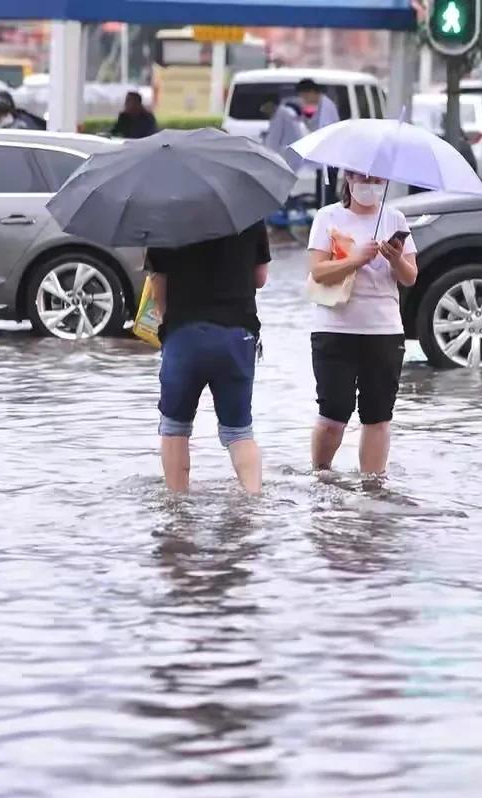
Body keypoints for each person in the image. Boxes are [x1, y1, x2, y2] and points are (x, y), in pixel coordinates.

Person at [146, 221, 272, 495]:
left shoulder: (165, 218)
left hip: (184, 335)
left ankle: (177, 509)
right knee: (239, 431)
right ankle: (253, 503)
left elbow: (159, 286)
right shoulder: (248, 214)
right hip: (237, 336)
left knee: (175, 426)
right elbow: (260, 278)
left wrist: (169, 323)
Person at [306, 172, 419, 475]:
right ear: (348, 178)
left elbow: (410, 277)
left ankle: (373, 488)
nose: (369, 185)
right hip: (334, 329)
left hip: (383, 330)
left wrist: (395, 259)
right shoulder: (327, 217)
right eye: (361, 177)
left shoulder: (394, 219)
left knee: (378, 416)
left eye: (377, 180)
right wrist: (355, 259)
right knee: (333, 414)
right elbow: (317, 272)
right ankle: (321, 474)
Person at [297, 78, 340, 206]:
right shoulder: (321, 105)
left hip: (328, 160)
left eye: (304, 96)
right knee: (323, 192)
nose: (305, 100)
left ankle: (324, 219)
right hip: (323, 160)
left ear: (311, 92)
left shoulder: (326, 106)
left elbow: (324, 132)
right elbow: (313, 126)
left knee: (325, 195)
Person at [261, 96, 307, 172]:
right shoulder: (283, 112)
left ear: (270, 104)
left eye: (264, 106)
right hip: (293, 154)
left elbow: (273, 141)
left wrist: (267, 156)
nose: (262, 109)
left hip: (289, 155)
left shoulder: (280, 115)